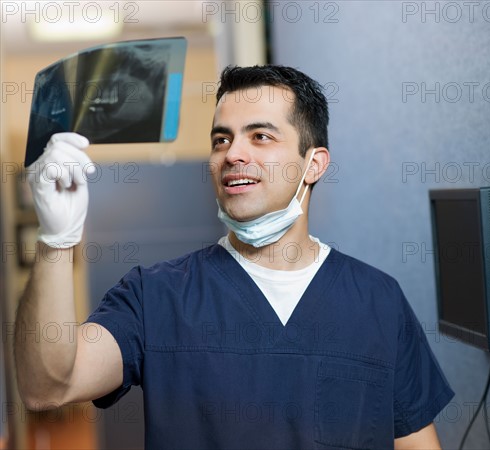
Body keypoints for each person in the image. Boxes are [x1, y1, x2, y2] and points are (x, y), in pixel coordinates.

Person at [15, 65, 454, 449]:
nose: (233, 155)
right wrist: (56, 239)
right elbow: (48, 387)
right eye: (221, 140)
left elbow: (415, 442)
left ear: (314, 164)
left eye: (260, 136)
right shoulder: (156, 295)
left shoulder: (378, 301)